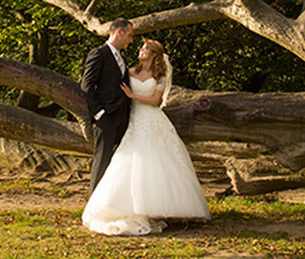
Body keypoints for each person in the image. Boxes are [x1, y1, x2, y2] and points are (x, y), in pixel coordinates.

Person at [82, 38, 210, 236]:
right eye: (141, 47)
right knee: (130, 159)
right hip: (132, 119)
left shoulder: (160, 75)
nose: (141, 50)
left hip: (151, 118)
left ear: (153, 54)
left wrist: (134, 97)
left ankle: (165, 207)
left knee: (160, 160)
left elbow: (156, 100)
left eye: (145, 48)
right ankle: (124, 205)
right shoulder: (129, 71)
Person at [80, 18, 134, 192]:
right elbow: (86, 86)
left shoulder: (122, 58)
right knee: (102, 159)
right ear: (119, 32)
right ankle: (94, 204)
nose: (131, 40)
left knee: (120, 160)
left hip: (122, 116)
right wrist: (98, 113)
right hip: (106, 117)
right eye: (130, 35)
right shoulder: (99, 54)